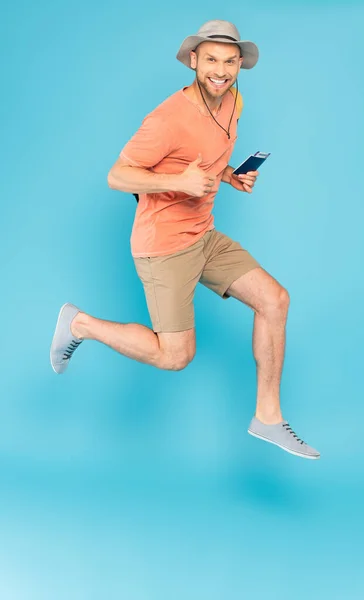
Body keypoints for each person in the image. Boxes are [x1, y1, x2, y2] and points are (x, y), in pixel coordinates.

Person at [50, 20, 320, 460]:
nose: (221, 70)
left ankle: (267, 418)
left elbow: (209, 156)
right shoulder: (166, 119)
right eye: (211, 60)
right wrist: (180, 180)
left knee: (275, 300)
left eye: (230, 61)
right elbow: (117, 175)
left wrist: (231, 175)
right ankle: (80, 323)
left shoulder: (233, 100)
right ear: (193, 61)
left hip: (203, 234)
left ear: (240, 66)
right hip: (164, 245)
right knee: (175, 357)